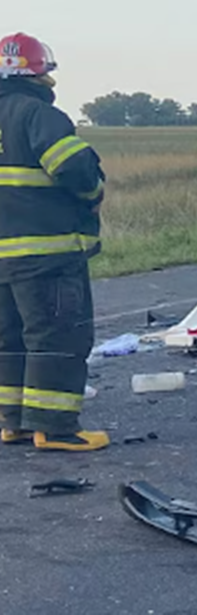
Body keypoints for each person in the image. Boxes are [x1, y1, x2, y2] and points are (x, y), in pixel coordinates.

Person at [0, 32, 109, 451]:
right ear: (39, 73)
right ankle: (55, 428)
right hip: (47, 255)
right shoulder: (38, 115)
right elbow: (76, 168)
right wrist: (93, 195)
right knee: (58, 337)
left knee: (10, 339)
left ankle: (14, 422)